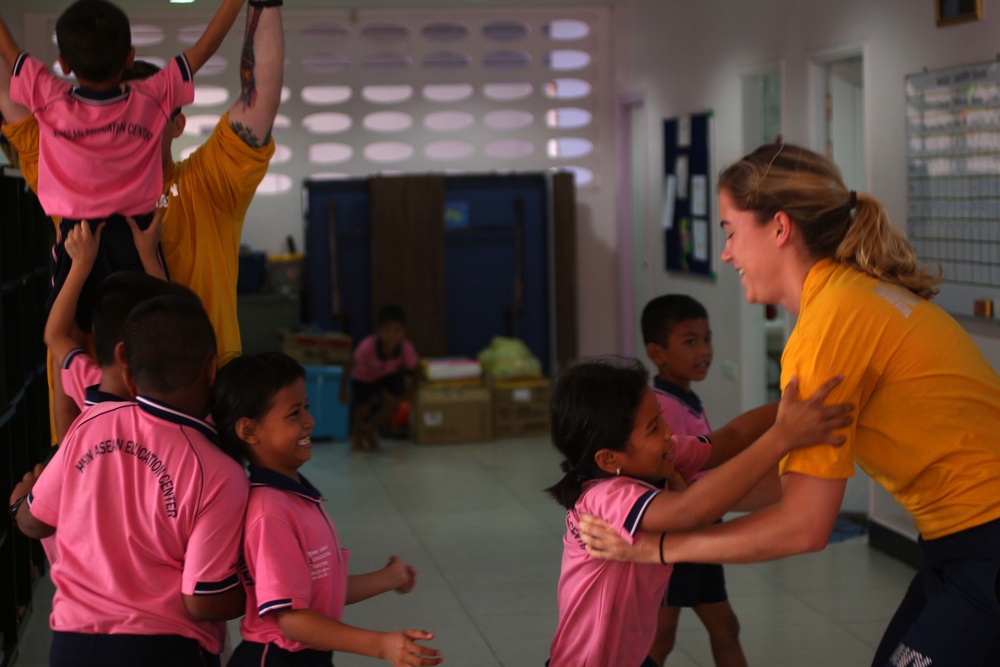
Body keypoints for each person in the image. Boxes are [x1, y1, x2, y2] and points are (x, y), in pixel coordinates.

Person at [578, 141, 1000, 667]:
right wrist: (698, 497)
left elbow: (803, 526)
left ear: (779, 228)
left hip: (985, 545)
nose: (727, 253)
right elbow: (795, 479)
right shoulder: (848, 296)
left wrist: (656, 547)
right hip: (961, 547)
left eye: (731, 231)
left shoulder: (828, 326)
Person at [0, 0, 284, 440]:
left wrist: (265, 5)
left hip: (198, 425)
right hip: (94, 440)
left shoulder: (206, 184)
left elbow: (259, 95)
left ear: (175, 123)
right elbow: (7, 88)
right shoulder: (69, 172)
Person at [545, 356, 852, 667]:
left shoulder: (660, 455)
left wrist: (801, 403)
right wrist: (783, 436)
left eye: (661, 419)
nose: (668, 433)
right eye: (653, 428)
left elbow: (732, 438)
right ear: (608, 459)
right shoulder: (602, 498)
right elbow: (690, 511)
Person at [9, 294, 249, 666]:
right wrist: (263, 586)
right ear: (212, 368)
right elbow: (203, 599)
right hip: (166, 648)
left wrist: (18, 501)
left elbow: (32, 521)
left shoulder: (92, 424)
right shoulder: (221, 472)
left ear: (127, 370)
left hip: (73, 646)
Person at [0, 0, 245, 330]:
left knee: (64, 330)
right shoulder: (151, 97)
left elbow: (10, 52)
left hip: (79, 234)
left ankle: (76, 377)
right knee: (155, 325)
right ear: (129, 56)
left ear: (64, 63)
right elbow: (204, 47)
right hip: (135, 232)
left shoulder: (51, 97)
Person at [212, 352, 443, 667]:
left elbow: (320, 589)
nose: (310, 421)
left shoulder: (296, 498)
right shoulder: (270, 514)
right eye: (294, 414)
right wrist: (381, 645)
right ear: (249, 431)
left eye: (305, 408)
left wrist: (388, 577)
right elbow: (292, 619)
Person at [641, 295, 746, 667]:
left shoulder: (683, 396)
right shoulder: (664, 407)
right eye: (690, 342)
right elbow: (674, 475)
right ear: (657, 352)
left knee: (725, 626)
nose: (704, 351)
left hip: (703, 527)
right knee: (660, 637)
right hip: (680, 534)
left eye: (707, 339)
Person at [44, 216, 172, 441]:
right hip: (117, 234)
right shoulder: (161, 393)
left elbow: (56, 334)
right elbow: (56, 336)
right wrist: (148, 255)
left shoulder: (159, 394)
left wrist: (80, 266)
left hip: (112, 233)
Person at [340, 304, 418, 452]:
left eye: (397, 331)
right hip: (365, 376)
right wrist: (343, 391)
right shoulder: (367, 346)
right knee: (362, 409)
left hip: (387, 375)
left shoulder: (405, 348)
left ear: (404, 331)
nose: (392, 336)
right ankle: (357, 435)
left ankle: (369, 429)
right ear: (378, 331)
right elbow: (350, 364)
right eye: (387, 330)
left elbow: (416, 369)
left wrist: (410, 393)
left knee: (394, 405)